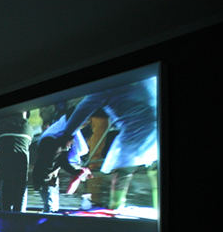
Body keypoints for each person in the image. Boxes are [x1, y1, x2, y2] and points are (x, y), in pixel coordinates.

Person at [54, 78, 158, 209]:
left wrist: (67, 135)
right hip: (156, 124)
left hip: (136, 128)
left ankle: (116, 206)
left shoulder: (104, 85)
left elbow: (83, 110)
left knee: (123, 171)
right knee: (155, 169)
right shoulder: (145, 75)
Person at [31, 115, 92, 212]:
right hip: (45, 180)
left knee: (53, 205)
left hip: (51, 179)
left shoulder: (59, 145)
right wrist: (77, 171)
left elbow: (63, 162)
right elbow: (63, 163)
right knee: (50, 206)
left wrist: (78, 171)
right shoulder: (54, 146)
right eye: (70, 142)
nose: (70, 146)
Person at [0, 112, 33, 212]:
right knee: (21, 191)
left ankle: (5, 213)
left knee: (5, 192)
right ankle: (20, 214)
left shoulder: (2, 126)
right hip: (22, 166)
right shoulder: (29, 128)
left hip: (6, 166)